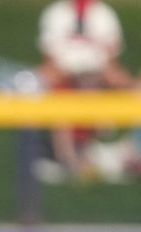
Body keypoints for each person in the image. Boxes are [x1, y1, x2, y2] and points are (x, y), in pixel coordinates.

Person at [33, 0, 141, 183]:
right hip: (65, 78)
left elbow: (112, 63)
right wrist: (78, 67)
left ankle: (131, 154)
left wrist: (96, 70)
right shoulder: (57, 12)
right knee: (49, 87)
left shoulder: (103, 13)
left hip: (100, 77)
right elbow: (50, 62)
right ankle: (67, 160)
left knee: (134, 87)